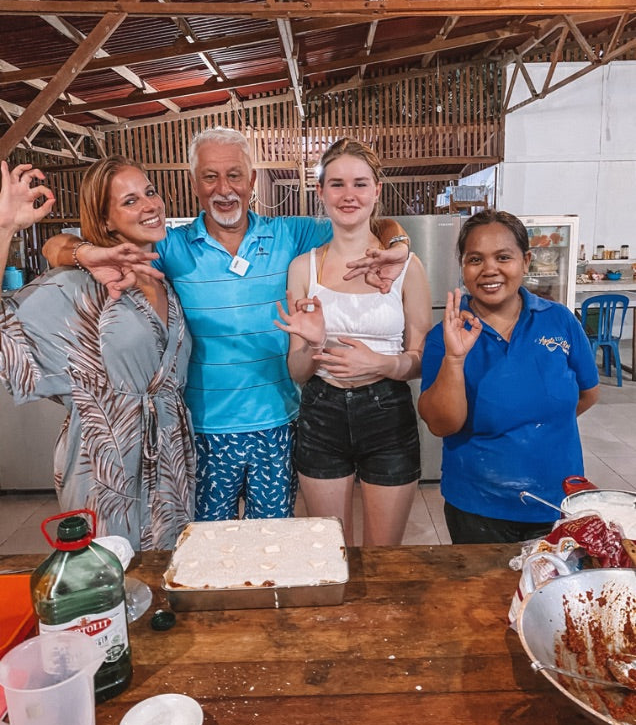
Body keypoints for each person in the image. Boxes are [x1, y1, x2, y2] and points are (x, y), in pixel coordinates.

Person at [42, 127, 410, 523]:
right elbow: (55, 246)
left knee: (271, 547)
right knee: (206, 547)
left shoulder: (292, 234)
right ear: (194, 182)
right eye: (210, 176)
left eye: (235, 175)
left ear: (252, 180)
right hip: (201, 431)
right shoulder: (170, 245)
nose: (224, 189)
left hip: (278, 426)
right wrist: (85, 250)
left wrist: (398, 246)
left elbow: (379, 225)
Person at [1, 157, 195, 551]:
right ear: (105, 220)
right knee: (106, 588)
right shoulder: (79, 287)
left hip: (173, 464)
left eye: (150, 192)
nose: (149, 205)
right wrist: (6, 228)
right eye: (129, 201)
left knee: (165, 588)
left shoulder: (165, 278)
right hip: (106, 467)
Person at [274, 139, 432, 545]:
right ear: (321, 192)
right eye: (337, 184)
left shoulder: (405, 266)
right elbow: (297, 372)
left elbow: (420, 359)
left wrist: (382, 364)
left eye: (360, 184)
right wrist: (310, 346)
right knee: (328, 550)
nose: (349, 196)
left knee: (384, 555)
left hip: (388, 412)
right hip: (321, 413)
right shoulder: (302, 268)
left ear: (377, 190)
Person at [418, 209, 599, 544]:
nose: (489, 269)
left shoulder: (560, 321)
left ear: (525, 261)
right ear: (463, 266)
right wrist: (455, 357)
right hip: (477, 507)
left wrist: (538, 424)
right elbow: (442, 425)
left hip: (559, 501)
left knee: (551, 593)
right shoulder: (443, 335)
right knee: (484, 596)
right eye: (475, 259)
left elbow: (588, 393)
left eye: (503, 257)